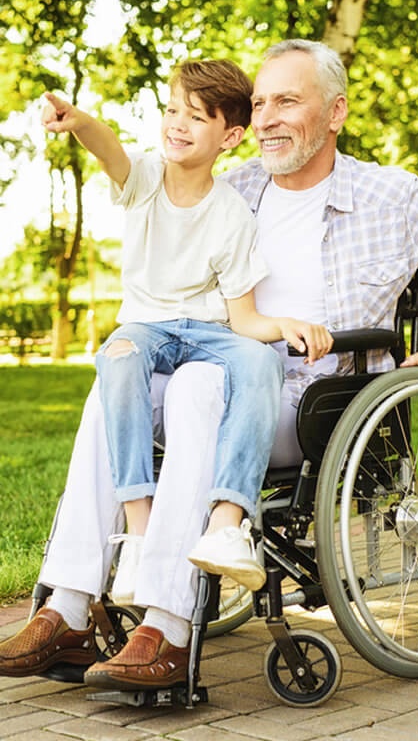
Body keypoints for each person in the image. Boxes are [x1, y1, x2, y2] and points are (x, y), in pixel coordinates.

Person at [0, 39, 418, 694]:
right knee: (113, 379)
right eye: (259, 103)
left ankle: (169, 625)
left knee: (200, 387)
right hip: (211, 372)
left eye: (287, 101)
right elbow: (137, 176)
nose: (266, 117)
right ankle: (66, 607)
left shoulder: (390, 196)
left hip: (316, 403)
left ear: (335, 112)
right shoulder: (230, 188)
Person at [41, 59, 332, 606]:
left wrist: (283, 327)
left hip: (207, 332)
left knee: (260, 360)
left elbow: (242, 319)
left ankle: (228, 525)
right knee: (119, 356)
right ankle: (139, 529)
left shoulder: (232, 213)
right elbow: (110, 150)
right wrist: (78, 120)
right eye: (173, 110)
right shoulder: (146, 177)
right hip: (146, 328)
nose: (177, 124)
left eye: (196, 117)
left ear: (230, 137)